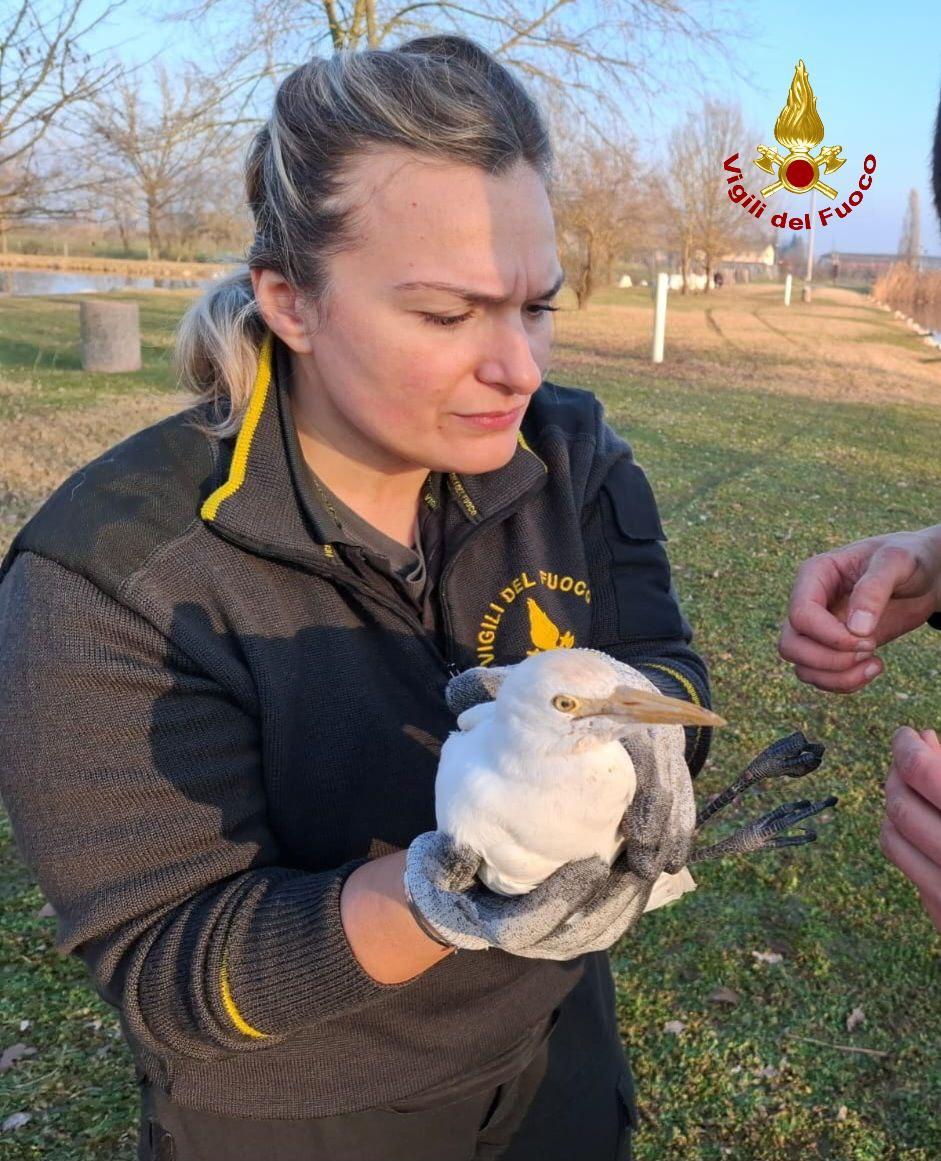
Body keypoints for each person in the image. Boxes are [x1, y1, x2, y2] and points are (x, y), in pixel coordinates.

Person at [0, 35, 713, 1161]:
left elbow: (662, 667)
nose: (517, 369)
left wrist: (647, 752)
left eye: (536, 308)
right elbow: (170, 969)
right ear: (290, 299)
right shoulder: (110, 574)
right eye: (446, 315)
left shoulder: (571, 457)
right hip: (304, 1107)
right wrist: (443, 893)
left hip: (553, 1043)